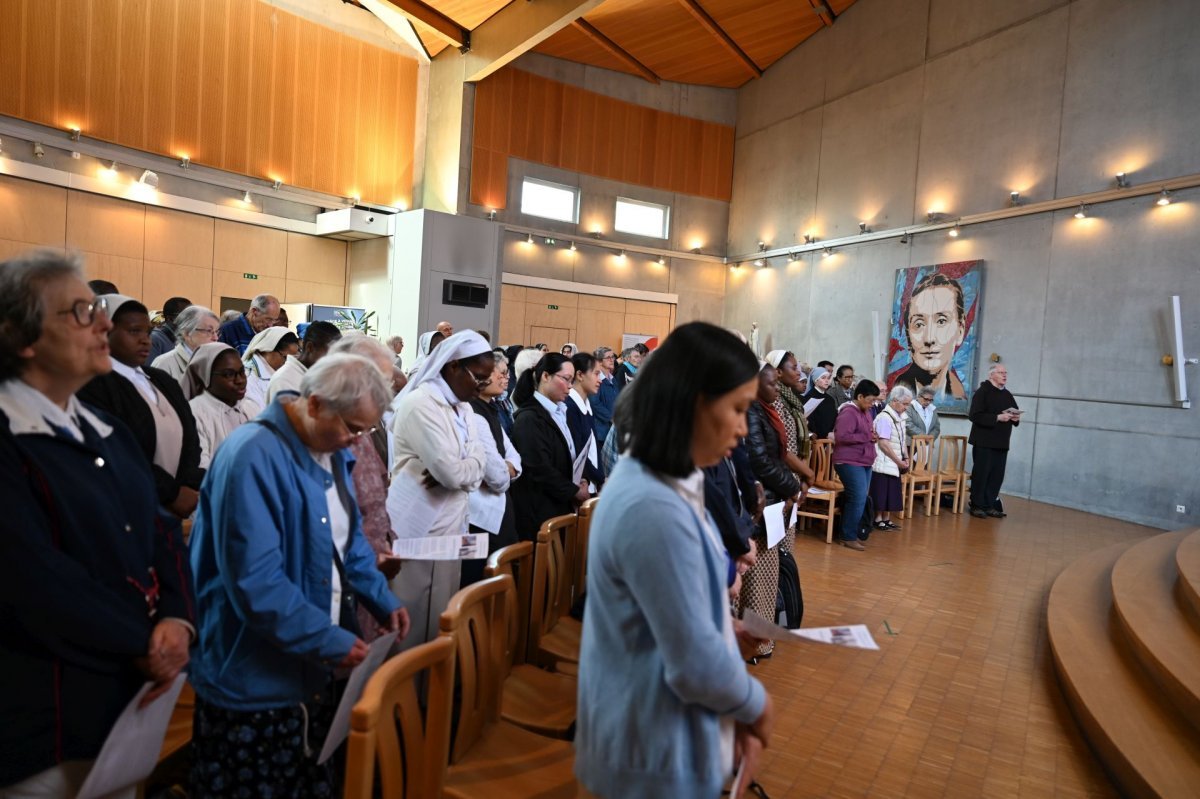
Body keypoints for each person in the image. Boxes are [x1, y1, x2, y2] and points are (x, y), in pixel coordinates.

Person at [0, 252, 193, 796]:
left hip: (125, 708)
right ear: (22, 338)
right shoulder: (8, 434)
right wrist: (144, 638)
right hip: (42, 721)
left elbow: (160, 533)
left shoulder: (105, 426)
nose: (104, 322)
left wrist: (179, 620)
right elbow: (34, 580)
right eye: (81, 311)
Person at [188, 354, 407, 796]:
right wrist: (329, 640)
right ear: (314, 405)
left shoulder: (329, 447)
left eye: (365, 431)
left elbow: (347, 544)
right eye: (352, 428)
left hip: (308, 666)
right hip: (252, 674)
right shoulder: (253, 454)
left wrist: (379, 597)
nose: (356, 443)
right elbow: (257, 582)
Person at [576, 321, 773, 799]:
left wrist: (719, 628)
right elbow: (694, 666)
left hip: (664, 731)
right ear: (694, 402)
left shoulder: (671, 480)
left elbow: (676, 607)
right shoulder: (651, 504)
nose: (744, 427)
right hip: (649, 751)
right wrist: (755, 704)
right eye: (738, 409)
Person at [389, 331, 495, 650]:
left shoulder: (464, 408)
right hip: (418, 528)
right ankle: (402, 698)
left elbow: (477, 466)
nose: (482, 386)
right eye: (478, 377)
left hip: (452, 526)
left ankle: (433, 696)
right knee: (411, 626)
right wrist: (467, 467)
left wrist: (465, 468)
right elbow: (450, 472)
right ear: (452, 368)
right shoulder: (421, 403)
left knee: (443, 623)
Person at [77, 295, 205, 519]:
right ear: (103, 331)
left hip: (176, 508)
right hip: (125, 507)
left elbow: (190, 436)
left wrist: (189, 485)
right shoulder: (93, 384)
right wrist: (171, 493)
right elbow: (117, 451)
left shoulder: (161, 379)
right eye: (134, 331)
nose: (146, 340)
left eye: (147, 332)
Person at [326, 335, 406, 638]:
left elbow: (374, 492)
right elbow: (336, 523)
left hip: (370, 563)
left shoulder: (360, 423)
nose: (386, 392)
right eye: (380, 381)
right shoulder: (332, 432)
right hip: (343, 578)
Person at [741, 362, 801, 659]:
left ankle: (761, 639)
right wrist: (792, 485)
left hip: (773, 499)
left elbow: (774, 456)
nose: (778, 389)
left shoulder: (766, 411)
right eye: (773, 384)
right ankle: (750, 642)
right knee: (755, 579)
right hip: (762, 501)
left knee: (766, 575)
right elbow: (759, 461)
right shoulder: (752, 411)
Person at [509, 353, 589, 541]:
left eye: (572, 380)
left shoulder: (560, 411)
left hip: (559, 504)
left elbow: (567, 453)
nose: (570, 386)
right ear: (545, 376)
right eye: (566, 379)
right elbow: (539, 467)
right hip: (539, 511)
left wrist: (580, 479)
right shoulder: (529, 418)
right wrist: (573, 491)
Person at [461, 351, 522, 587]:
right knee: (477, 581)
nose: (507, 378)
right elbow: (497, 476)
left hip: (499, 510)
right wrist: (505, 471)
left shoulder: (492, 408)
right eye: (503, 373)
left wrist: (507, 469)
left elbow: (515, 457)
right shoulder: (473, 413)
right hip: (478, 518)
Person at [894, 272, 968, 401]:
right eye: (919, 324)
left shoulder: (958, 394)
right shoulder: (898, 389)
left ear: (960, 331)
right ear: (908, 335)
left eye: (941, 321)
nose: (929, 339)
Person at [183, 342, 256, 468]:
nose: (240, 380)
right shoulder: (194, 413)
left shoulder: (250, 407)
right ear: (205, 376)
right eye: (229, 374)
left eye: (242, 372)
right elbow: (202, 468)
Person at [832, 379, 881, 551]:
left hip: (863, 460)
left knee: (859, 498)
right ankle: (848, 536)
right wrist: (866, 437)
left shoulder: (865, 411)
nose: (872, 404)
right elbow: (842, 437)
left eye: (875, 401)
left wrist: (872, 435)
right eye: (870, 400)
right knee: (858, 498)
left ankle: (850, 532)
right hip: (848, 461)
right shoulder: (848, 412)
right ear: (860, 396)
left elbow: (864, 432)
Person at [968, 363, 1020, 518]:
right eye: (1001, 372)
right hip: (984, 442)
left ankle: (989, 504)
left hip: (1002, 443)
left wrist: (1015, 418)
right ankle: (976, 504)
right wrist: (997, 417)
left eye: (1005, 372)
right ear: (991, 375)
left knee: (996, 476)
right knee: (981, 474)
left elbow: (1014, 414)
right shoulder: (982, 392)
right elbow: (974, 415)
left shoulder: (1007, 394)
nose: (1004, 375)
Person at [267, 320, 342, 403]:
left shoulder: (318, 375)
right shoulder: (283, 381)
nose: (332, 362)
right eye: (329, 355)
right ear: (310, 347)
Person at [871, 385, 912, 531]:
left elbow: (902, 440)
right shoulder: (884, 417)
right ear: (895, 401)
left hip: (894, 462)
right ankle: (878, 519)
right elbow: (884, 444)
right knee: (881, 492)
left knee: (891, 492)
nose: (907, 407)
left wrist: (906, 457)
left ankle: (886, 519)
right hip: (883, 461)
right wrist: (898, 461)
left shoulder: (901, 417)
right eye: (905, 404)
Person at [567, 351, 605, 493]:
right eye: (596, 373)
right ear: (580, 375)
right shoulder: (570, 407)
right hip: (581, 486)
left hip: (593, 483)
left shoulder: (586, 405)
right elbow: (578, 453)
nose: (600, 379)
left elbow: (593, 449)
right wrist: (599, 477)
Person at [150, 304, 220, 380]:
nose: (215, 338)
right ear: (187, 333)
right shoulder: (164, 364)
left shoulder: (217, 364)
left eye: (216, 332)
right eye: (209, 331)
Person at [241, 326, 300, 414]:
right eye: (285, 357)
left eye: (293, 358)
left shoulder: (281, 371)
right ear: (268, 349)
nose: (289, 362)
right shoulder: (248, 377)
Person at [146, 295, 192, 365]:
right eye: (186, 316)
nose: (192, 319)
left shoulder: (188, 338)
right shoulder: (155, 339)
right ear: (170, 319)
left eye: (193, 315)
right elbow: (149, 371)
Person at [592, 346, 618, 444]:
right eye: (608, 358)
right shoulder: (596, 378)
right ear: (599, 361)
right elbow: (594, 403)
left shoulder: (613, 379)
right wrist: (611, 417)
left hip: (612, 429)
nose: (612, 360)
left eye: (613, 357)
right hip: (600, 430)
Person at [803, 366, 838, 439]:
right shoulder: (809, 397)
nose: (827, 381)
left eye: (828, 378)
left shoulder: (830, 399)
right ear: (816, 380)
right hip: (816, 439)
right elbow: (810, 421)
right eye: (823, 378)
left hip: (830, 438)